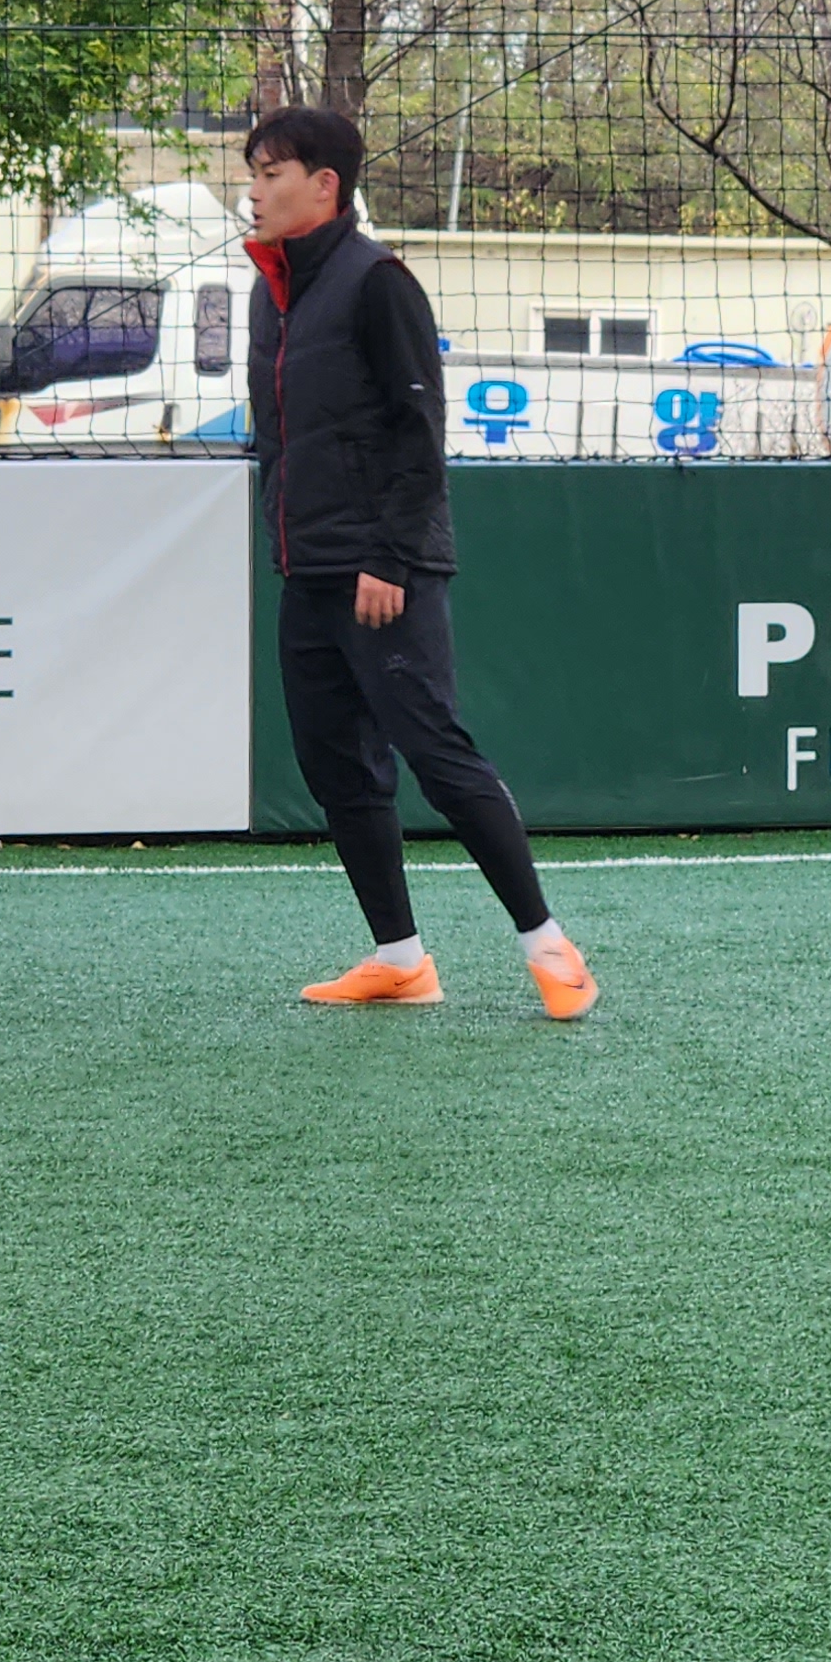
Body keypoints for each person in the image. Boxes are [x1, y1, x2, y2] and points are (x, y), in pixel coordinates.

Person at [240, 104, 596, 1021]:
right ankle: (400, 962)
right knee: (337, 770)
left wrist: (391, 559)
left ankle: (550, 946)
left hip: (384, 570)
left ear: (325, 185)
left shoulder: (378, 282)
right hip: (307, 570)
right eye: (253, 173)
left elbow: (416, 430)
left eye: (271, 173)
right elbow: (285, 438)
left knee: (438, 755)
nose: (254, 191)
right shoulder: (269, 292)